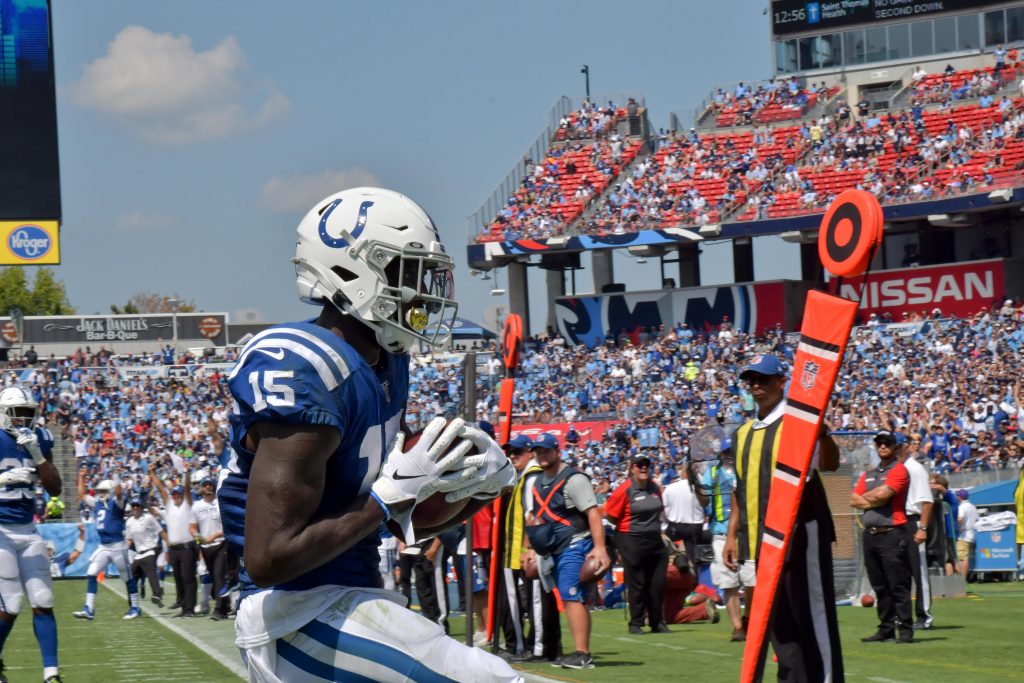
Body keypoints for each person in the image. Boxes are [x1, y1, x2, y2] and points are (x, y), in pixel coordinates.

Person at [216, 187, 518, 682]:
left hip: (349, 600)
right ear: (348, 271)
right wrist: (386, 497)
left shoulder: (386, 362)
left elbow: (395, 523)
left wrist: (475, 491)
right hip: (295, 616)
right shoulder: (309, 366)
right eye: (406, 272)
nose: (424, 290)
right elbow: (269, 558)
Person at [723, 354, 843, 681]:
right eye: (752, 381)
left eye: (763, 380)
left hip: (801, 534)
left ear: (781, 382)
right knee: (780, 623)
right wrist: (732, 535)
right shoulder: (743, 434)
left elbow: (830, 464)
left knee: (812, 616)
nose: (757, 387)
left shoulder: (798, 422)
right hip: (762, 541)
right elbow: (740, 488)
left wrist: (821, 434)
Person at [525, 432, 610, 669]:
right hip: (554, 547)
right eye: (538, 451)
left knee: (571, 594)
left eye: (545, 450)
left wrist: (600, 547)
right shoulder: (538, 482)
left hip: (575, 543)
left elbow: (593, 512)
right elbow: (536, 518)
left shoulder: (574, 479)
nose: (541, 454)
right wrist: (531, 548)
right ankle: (578, 652)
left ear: (557, 451)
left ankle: (583, 653)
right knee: (567, 596)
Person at [0, 386, 63, 683]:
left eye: (28, 413)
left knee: (43, 599)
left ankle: (51, 674)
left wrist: (38, 455)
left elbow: (55, 488)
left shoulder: (41, 437)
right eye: (17, 413)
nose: (23, 419)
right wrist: (3, 478)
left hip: (28, 528)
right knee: (10, 605)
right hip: (0, 531)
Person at [851, 430, 913, 644]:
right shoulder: (869, 473)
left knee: (897, 584)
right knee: (880, 586)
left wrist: (869, 499)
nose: (882, 447)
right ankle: (886, 628)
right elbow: (853, 499)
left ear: (895, 447)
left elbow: (883, 495)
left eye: (887, 443)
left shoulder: (899, 470)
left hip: (891, 533)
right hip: (870, 536)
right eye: (879, 443)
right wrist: (874, 500)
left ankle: (905, 630)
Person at [604, 454, 670, 634]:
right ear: (632, 468)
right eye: (639, 465)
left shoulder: (654, 487)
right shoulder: (624, 490)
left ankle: (657, 622)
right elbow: (609, 513)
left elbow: (660, 510)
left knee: (657, 582)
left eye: (646, 465)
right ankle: (636, 623)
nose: (643, 468)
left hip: (654, 539)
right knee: (638, 583)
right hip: (631, 539)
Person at [72, 470, 142, 621]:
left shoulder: (116, 503)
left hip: (118, 546)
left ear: (109, 491)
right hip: (104, 546)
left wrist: (116, 478)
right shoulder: (98, 504)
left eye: (103, 491)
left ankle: (135, 608)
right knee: (91, 573)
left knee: (127, 578)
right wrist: (82, 476)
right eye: (99, 491)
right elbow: (83, 495)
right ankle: (89, 609)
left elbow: (118, 493)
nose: (100, 494)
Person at [150, 462, 197, 617]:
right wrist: (153, 473)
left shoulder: (188, 505)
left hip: (187, 547)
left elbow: (188, 489)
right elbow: (161, 489)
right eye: (174, 495)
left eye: (179, 494)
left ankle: (189, 608)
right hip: (175, 548)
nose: (176, 497)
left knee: (188, 578)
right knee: (178, 578)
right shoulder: (170, 505)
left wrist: (187, 474)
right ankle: (183, 607)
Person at [897, 435, 934, 630]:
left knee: (918, 571)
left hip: (912, 520)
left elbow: (927, 500)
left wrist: (923, 528)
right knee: (899, 572)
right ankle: (902, 616)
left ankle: (924, 615)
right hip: (897, 522)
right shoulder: (896, 469)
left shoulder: (915, 468)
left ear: (906, 447)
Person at [190, 476, 229, 620]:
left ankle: (218, 609)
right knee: (214, 577)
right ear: (201, 488)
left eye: (210, 485)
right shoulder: (196, 506)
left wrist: (215, 535)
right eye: (205, 485)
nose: (208, 487)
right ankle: (225, 606)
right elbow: (192, 527)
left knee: (219, 576)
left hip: (220, 544)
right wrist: (197, 536)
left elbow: (227, 526)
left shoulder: (220, 504)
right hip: (206, 546)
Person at [124, 498, 167, 607]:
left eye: (137, 505)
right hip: (138, 553)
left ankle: (157, 595)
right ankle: (132, 603)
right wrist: (123, 551)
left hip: (150, 549)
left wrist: (170, 544)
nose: (135, 508)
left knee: (151, 573)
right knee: (130, 577)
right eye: (133, 506)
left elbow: (161, 531)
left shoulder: (148, 518)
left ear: (141, 507)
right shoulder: (129, 522)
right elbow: (129, 539)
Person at [662, 465, 705, 571]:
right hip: (695, 527)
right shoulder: (699, 489)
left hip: (676, 528)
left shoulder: (670, 488)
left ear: (683, 474)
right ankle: (692, 579)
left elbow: (663, 509)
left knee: (672, 550)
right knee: (691, 556)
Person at [956, 489, 978, 579]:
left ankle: (962, 579)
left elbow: (960, 519)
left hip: (964, 535)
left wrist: (958, 528)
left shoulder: (962, 507)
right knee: (966, 557)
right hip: (972, 534)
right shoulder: (973, 506)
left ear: (959, 497)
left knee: (962, 557)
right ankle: (964, 577)